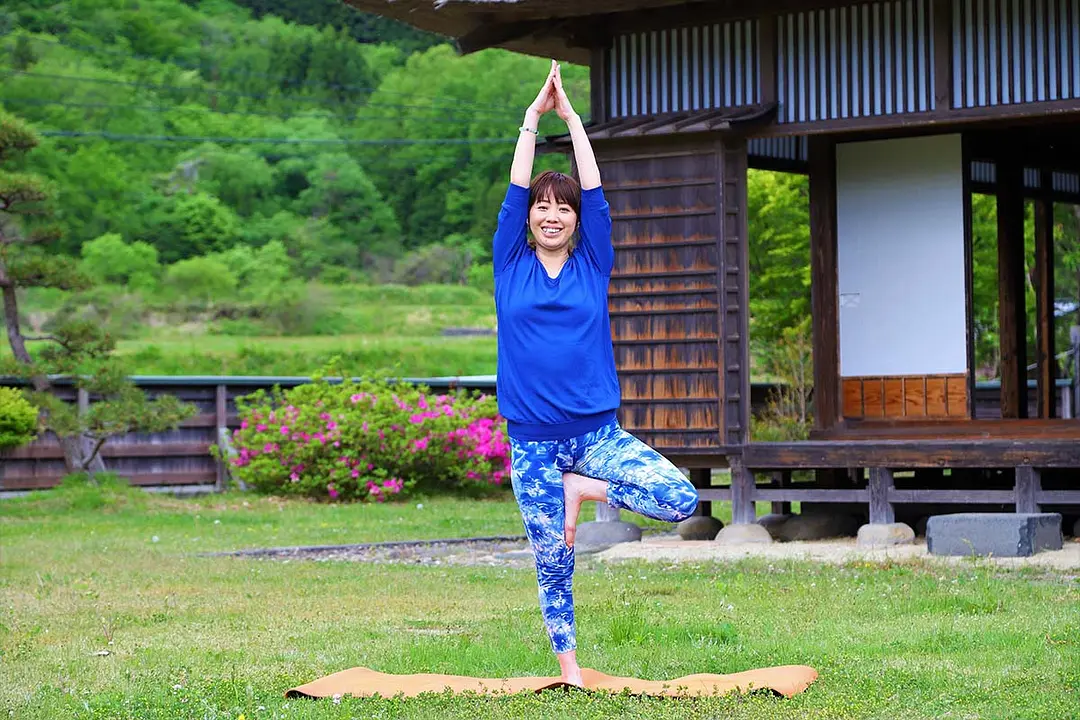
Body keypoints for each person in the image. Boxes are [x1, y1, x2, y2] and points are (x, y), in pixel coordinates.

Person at [492, 60, 700, 686]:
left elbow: (597, 185)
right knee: (553, 558)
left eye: (563, 209)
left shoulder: (593, 262)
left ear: (579, 222)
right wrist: (533, 121)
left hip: (595, 437)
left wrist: (573, 120)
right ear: (528, 218)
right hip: (530, 442)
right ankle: (570, 669)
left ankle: (582, 490)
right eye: (541, 208)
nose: (551, 215)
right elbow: (515, 185)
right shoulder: (509, 261)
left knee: (678, 498)